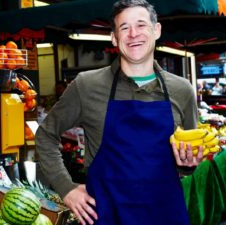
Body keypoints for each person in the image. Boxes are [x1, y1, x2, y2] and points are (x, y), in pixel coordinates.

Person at [35, 1, 203, 224]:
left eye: (141, 25)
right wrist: (67, 189)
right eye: (124, 27)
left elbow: (188, 158)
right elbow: (45, 135)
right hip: (106, 214)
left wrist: (188, 164)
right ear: (114, 38)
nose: (133, 34)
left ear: (157, 30)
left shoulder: (182, 90)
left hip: (165, 214)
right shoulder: (87, 85)